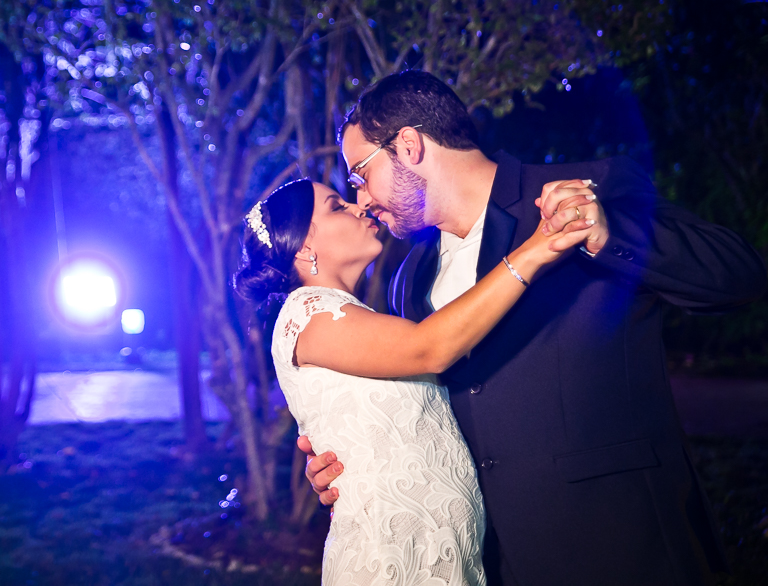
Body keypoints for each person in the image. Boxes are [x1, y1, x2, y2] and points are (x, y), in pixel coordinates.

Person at [300, 70, 767, 586]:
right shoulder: (410, 279)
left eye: (360, 174)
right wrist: (357, 459)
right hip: (500, 562)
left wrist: (609, 234)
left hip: (627, 548)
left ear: (408, 146)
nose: (361, 198)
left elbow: (740, 274)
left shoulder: (587, 188)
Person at [234, 177, 596, 585]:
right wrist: (536, 249)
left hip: (445, 555)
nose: (359, 207)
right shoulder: (309, 313)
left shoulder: (361, 314)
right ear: (303, 248)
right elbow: (431, 348)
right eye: (337, 206)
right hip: (390, 561)